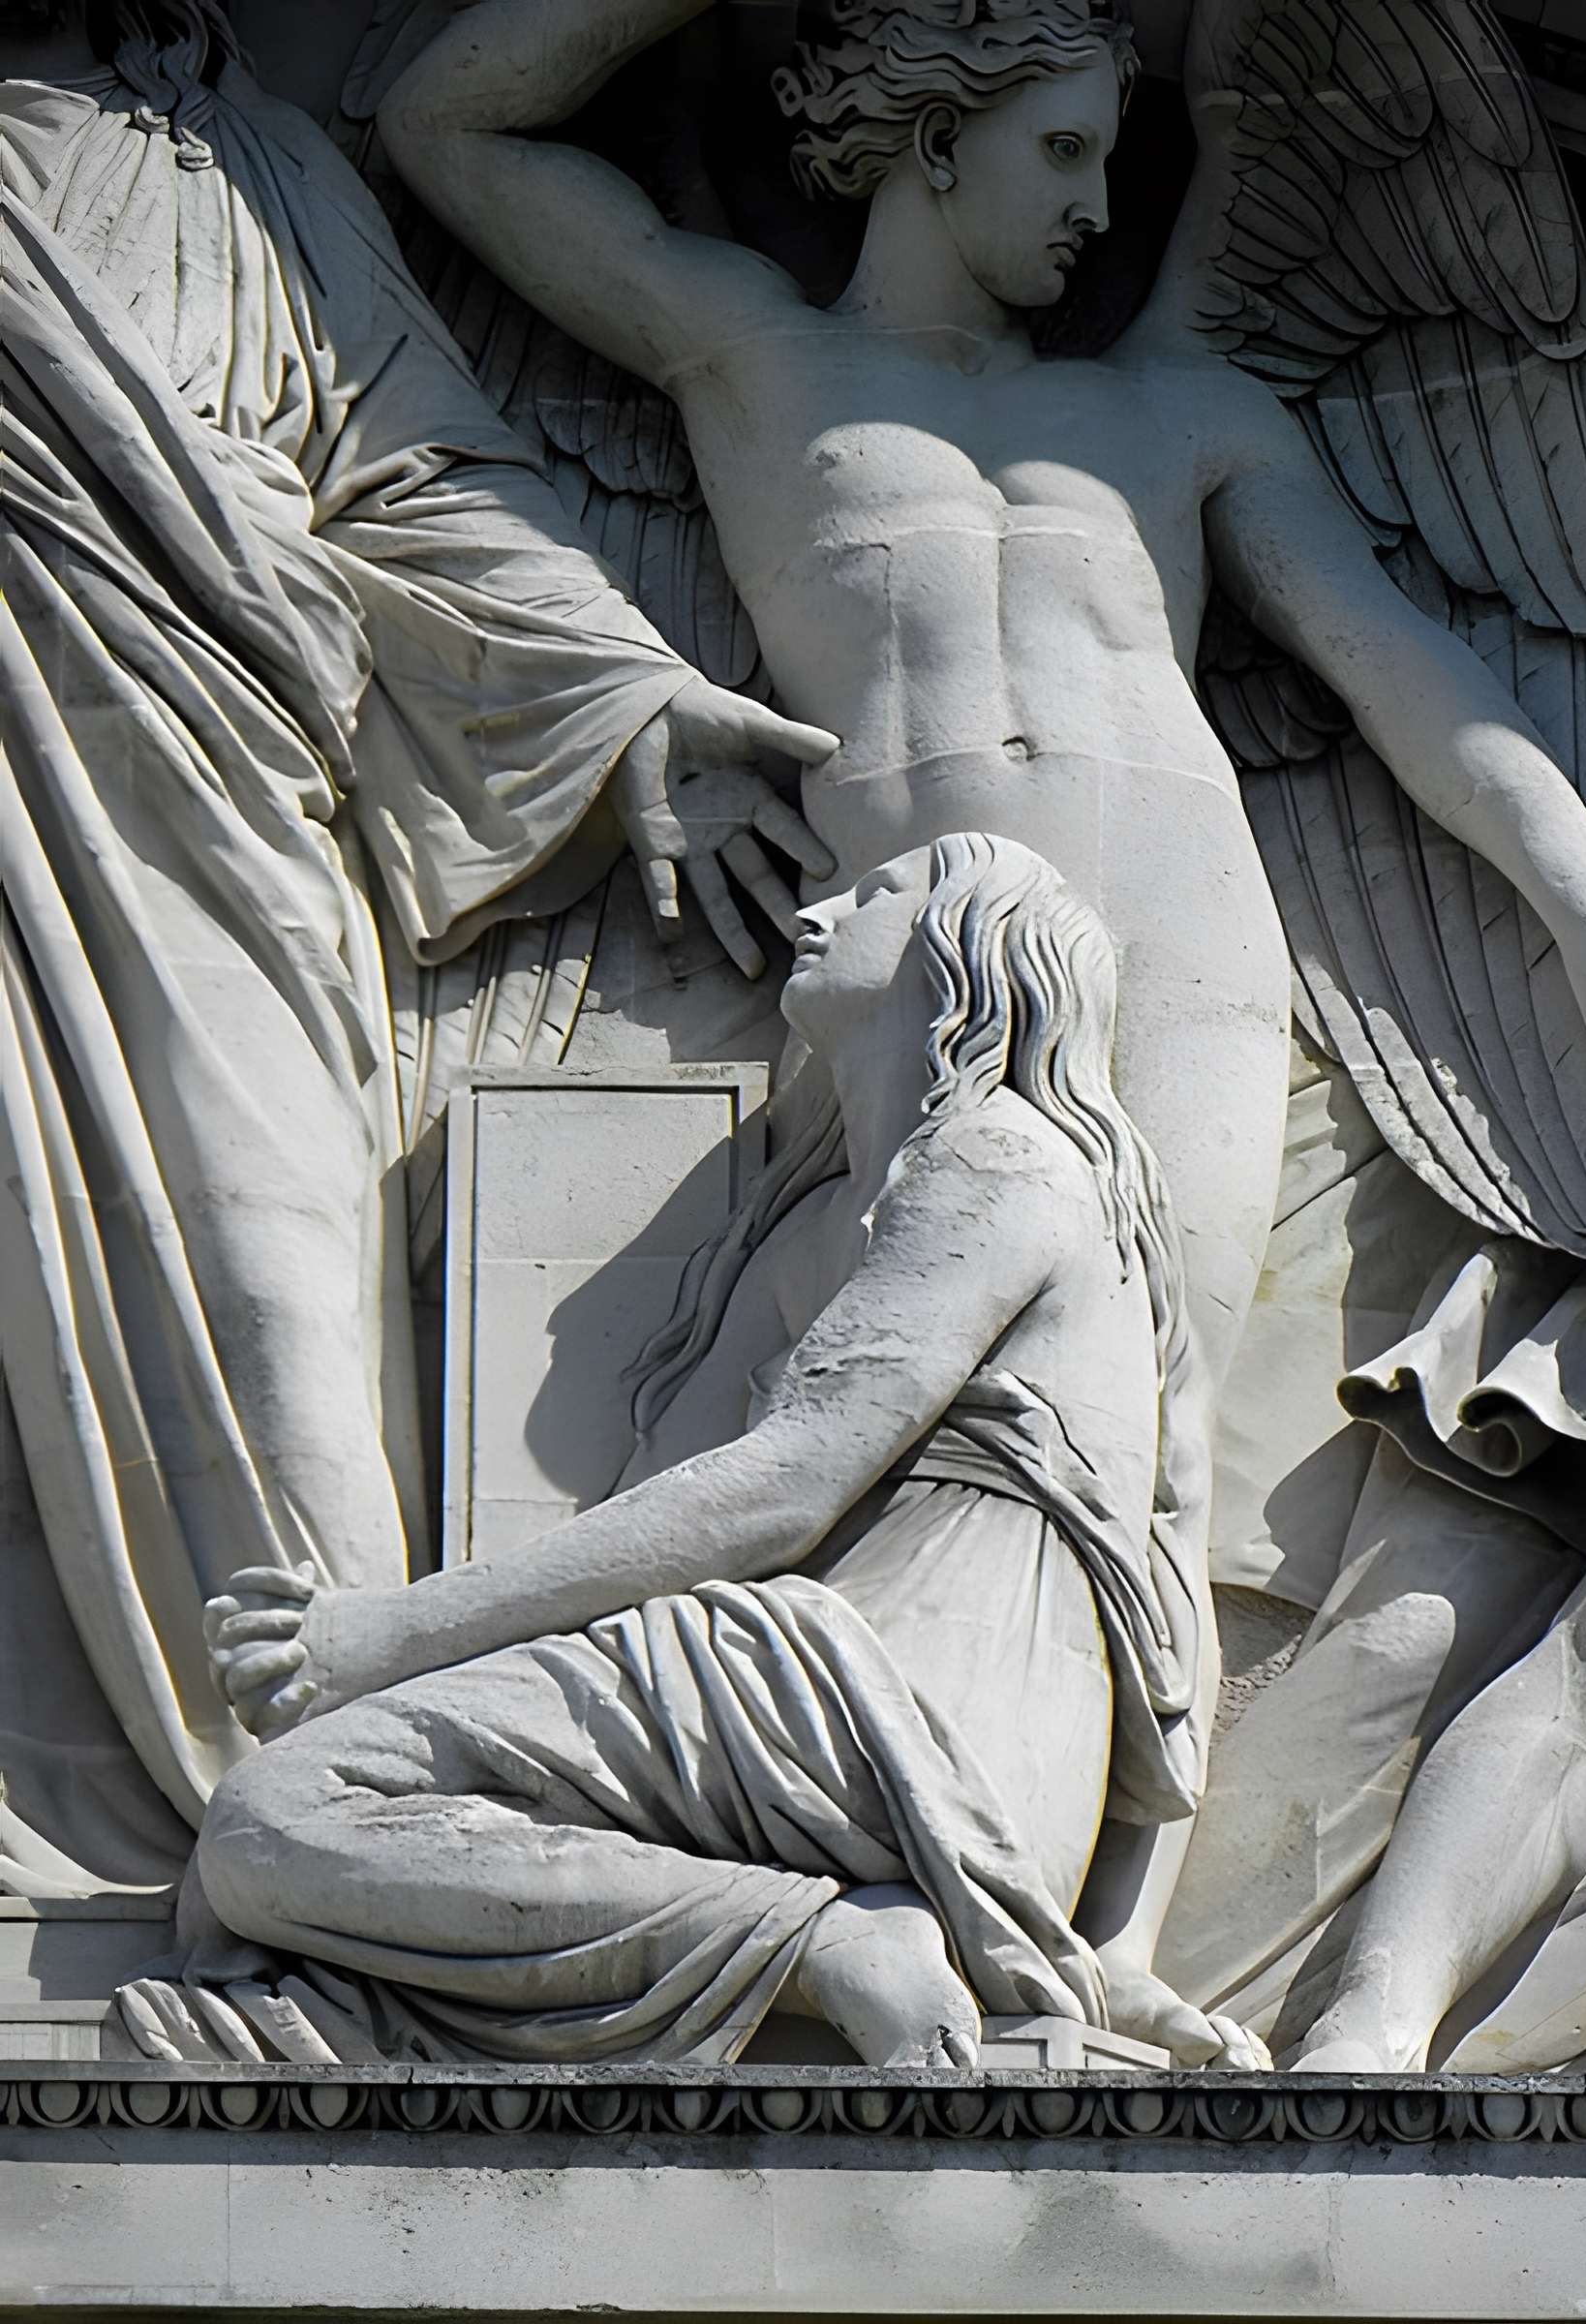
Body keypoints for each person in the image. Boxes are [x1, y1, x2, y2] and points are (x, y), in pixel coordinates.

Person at [372, 0, 1586, 1989]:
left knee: (1134, 1440)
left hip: (1183, 949)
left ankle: (1103, 1929)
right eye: (1066, 155)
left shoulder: (1182, 416)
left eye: (1113, 159)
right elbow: (440, 113)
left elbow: (1403, 676)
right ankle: (877, 1882)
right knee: (889, 1416)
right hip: (914, 965)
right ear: (931, 138)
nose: (1105, 210)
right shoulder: (748, 345)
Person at [0, 0, 839, 1894]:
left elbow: (421, 478)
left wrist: (627, 697)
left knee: (272, 1291)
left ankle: (347, 1834)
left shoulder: (253, 169)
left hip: (201, 778)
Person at [187, 833, 1268, 2068]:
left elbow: (785, 1490)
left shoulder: (1002, 1158)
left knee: (280, 1815)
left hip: (892, 1716)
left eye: (881, 891)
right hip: (901, 1750)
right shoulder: (818, 1223)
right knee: (265, 1855)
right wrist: (1093, 1947)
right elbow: (670, 1514)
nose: (820, 909)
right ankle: (827, 1943)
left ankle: (819, 1945)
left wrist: (389, 1636)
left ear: (968, 948)